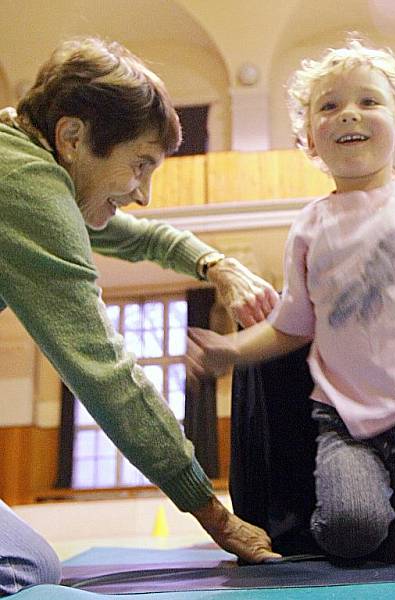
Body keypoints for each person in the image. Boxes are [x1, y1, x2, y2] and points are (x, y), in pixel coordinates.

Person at [187, 38, 395, 563]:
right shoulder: (311, 227)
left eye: (368, 101)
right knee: (350, 528)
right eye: (329, 107)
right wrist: (233, 350)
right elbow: (292, 326)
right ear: (309, 139)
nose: (347, 115)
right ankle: (343, 523)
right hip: (344, 424)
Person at [0, 37, 282, 594]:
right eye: (140, 165)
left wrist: (214, 264)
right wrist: (215, 515)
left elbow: (131, 235)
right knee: (24, 571)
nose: (144, 193)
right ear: (73, 137)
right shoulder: (24, 186)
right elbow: (104, 372)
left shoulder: (24, 156)